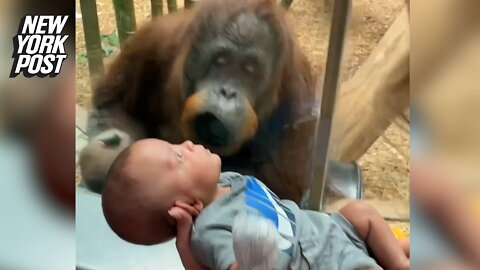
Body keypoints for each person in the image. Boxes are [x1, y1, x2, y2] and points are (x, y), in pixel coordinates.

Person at [102, 138, 409, 270]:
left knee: (360, 212)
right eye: (178, 157)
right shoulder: (210, 230)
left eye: (174, 145)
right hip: (323, 263)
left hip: (329, 231)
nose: (187, 144)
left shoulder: (229, 180)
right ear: (181, 204)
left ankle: (399, 262)